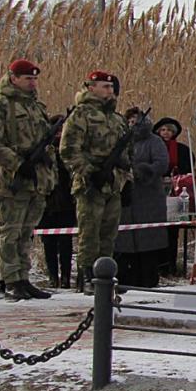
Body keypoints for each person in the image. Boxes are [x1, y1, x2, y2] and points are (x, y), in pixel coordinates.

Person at [0, 59, 57, 301]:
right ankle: (11, 280)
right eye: (27, 78)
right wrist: (16, 163)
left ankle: (23, 277)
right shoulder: (1, 104)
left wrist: (47, 158)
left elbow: (44, 138)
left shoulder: (36, 106)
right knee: (10, 232)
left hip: (35, 180)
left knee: (27, 233)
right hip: (10, 179)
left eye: (34, 78)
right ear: (13, 78)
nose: (32, 82)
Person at [60, 70, 131, 294]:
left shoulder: (116, 118)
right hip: (90, 184)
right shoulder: (81, 114)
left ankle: (106, 275)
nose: (109, 91)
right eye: (104, 87)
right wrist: (90, 173)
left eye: (111, 87)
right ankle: (88, 276)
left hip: (113, 183)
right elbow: (69, 150)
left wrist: (123, 176)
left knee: (109, 233)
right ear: (91, 87)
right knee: (89, 232)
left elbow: (126, 153)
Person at [114, 108, 169, 288]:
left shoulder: (154, 141)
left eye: (135, 120)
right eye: (129, 121)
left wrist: (143, 170)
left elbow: (162, 163)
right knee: (125, 244)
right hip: (126, 198)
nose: (132, 124)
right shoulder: (122, 141)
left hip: (149, 198)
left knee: (148, 246)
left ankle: (148, 281)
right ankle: (126, 280)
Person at [38, 115, 76, 289]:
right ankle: (53, 276)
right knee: (49, 243)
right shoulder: (45, 149)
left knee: (66, 242)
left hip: (67, 201)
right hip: (48, 201)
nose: (60, 134)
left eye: (62, 130)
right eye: (57, 130)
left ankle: (66, 276)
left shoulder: (69, 150)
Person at [152, 116, 191, 276]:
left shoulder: (182, 150)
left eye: (168, 130)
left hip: (176, 194)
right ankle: (157, 264)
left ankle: (171, 265)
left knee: (172, 231)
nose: (166, 133)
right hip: (156, 193)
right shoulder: (153, 147)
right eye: (162, 130)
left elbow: (188, 170)